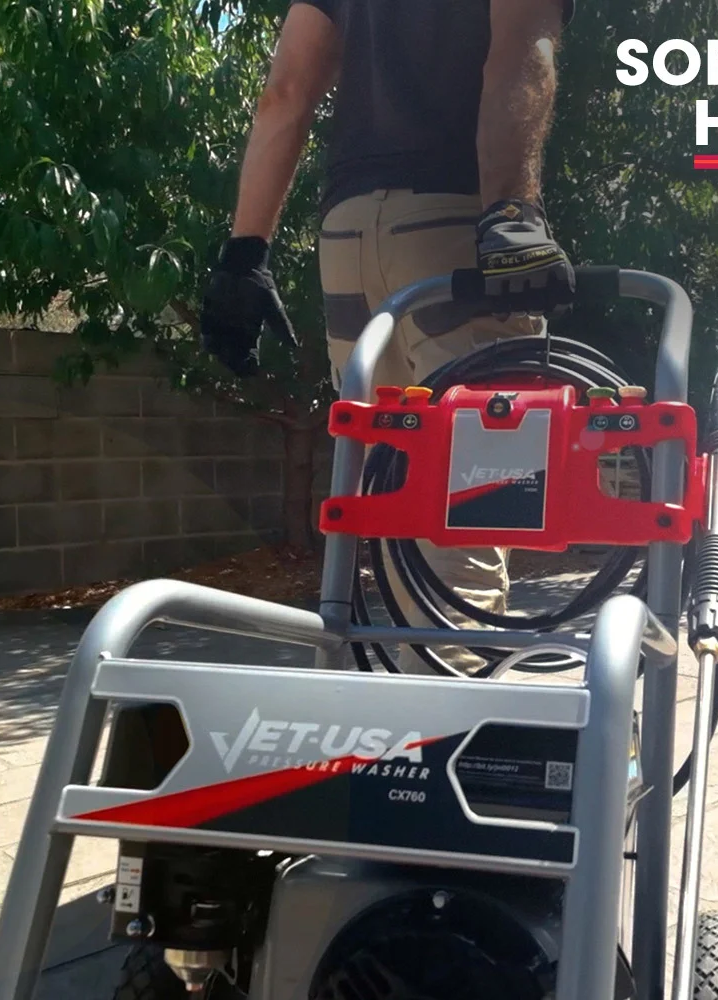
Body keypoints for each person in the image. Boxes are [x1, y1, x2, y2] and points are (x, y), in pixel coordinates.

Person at [200, 0, 576, 672]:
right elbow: (521, 50)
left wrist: (245, 253)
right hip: (453, 226)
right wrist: (512, 209)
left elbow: (286, 91)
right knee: (477, 510)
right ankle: (450, 717)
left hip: (349, 236)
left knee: (396, 498)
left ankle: (407, 707)